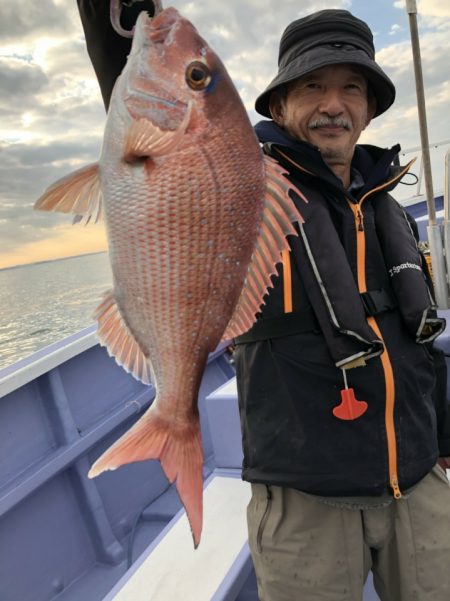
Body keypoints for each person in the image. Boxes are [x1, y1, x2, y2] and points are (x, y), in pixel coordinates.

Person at [77, 3, 450, 599]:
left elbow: (422, 339)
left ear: (370, 107)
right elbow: (145, 107)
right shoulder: (245, 188)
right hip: (306, 499)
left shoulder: (385, 200)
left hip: (420, 483)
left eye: (352, 88)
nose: (334, 104)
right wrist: (119, 19)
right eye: (313, 88)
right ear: (278, 106)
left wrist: (443, 445)